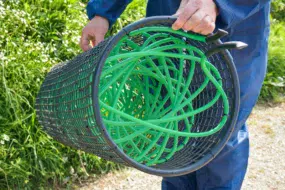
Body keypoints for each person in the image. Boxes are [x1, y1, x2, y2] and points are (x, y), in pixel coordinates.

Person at [80, 0, 271, 189]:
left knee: (220, 135)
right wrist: (103, 12)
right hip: (167, 35)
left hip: (231, 31)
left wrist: (220, 4)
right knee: (172, 136)